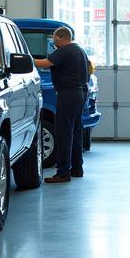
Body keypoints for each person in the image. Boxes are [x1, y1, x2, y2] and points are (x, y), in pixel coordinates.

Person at [34, 26, 89, 183]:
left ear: (60, 37)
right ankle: (77, 168)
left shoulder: (65, 50)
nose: (53, 40)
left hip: (68, 94)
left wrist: (26, 59)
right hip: (80, 94)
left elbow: (44, 63)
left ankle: (63, 173)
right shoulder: (79, 50)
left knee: (64, 133)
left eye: (54, 38)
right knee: (76, 131)